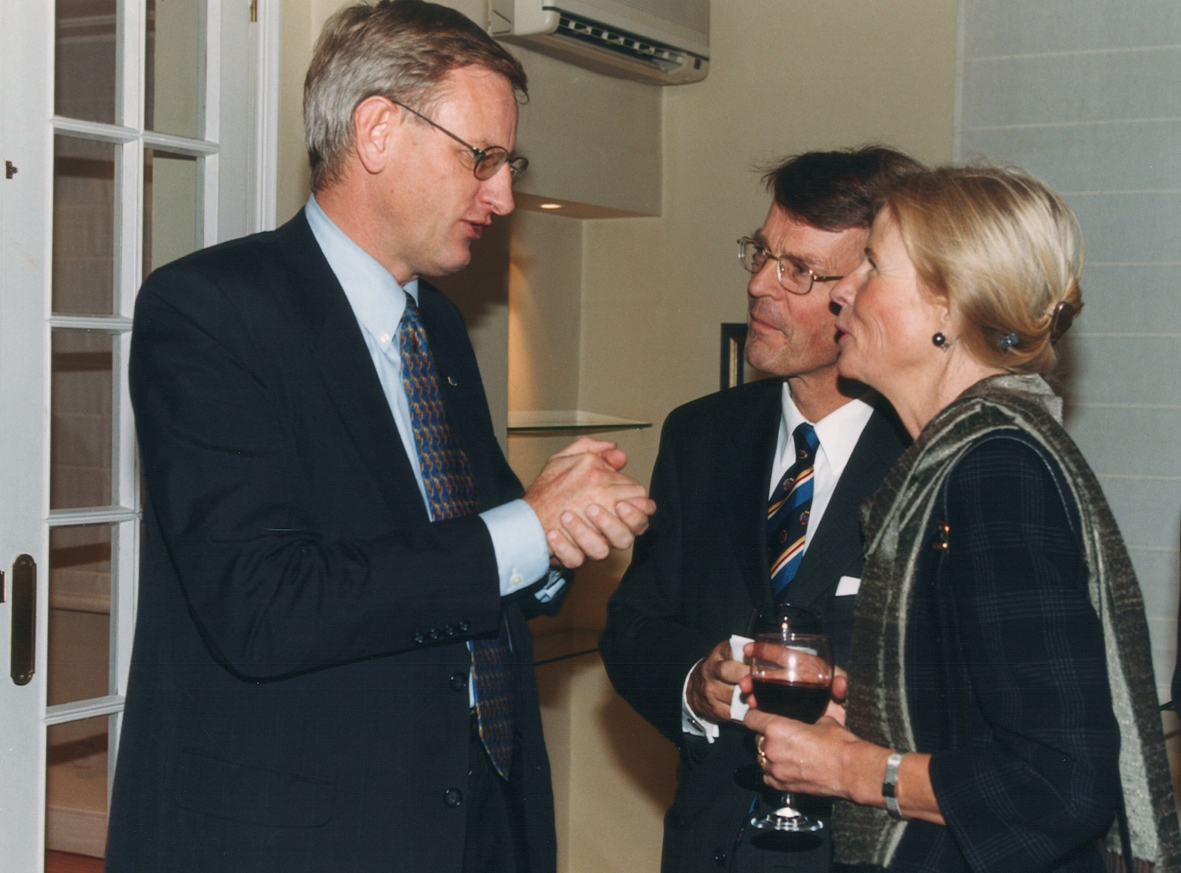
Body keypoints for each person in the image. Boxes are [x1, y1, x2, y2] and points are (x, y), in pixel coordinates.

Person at [104, 3, 655, 872]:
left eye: (507, 164)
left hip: (475, 821)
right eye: (480, 158)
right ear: (376, 131)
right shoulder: (210, 311)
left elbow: (457, 557)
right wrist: (527, 527)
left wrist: (555, 535)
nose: (503, 196)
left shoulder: (438, 328)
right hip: (300, 840)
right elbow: (263, 606)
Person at [743, 165, 1181, 873]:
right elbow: (985, 724)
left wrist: (857, 769)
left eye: (873, 267)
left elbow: (1062, 784)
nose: (843, 293)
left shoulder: (993, 472)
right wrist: (874, 726)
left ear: (946, 308)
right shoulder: (954, 464)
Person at [599, 147, 918, 873]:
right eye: (762, 253)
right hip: (711, 844)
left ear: (874, 290)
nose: (757, 285)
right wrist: (696, 682)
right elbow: (636, 625)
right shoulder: (700, 435)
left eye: (799, 270)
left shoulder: (927, 458)